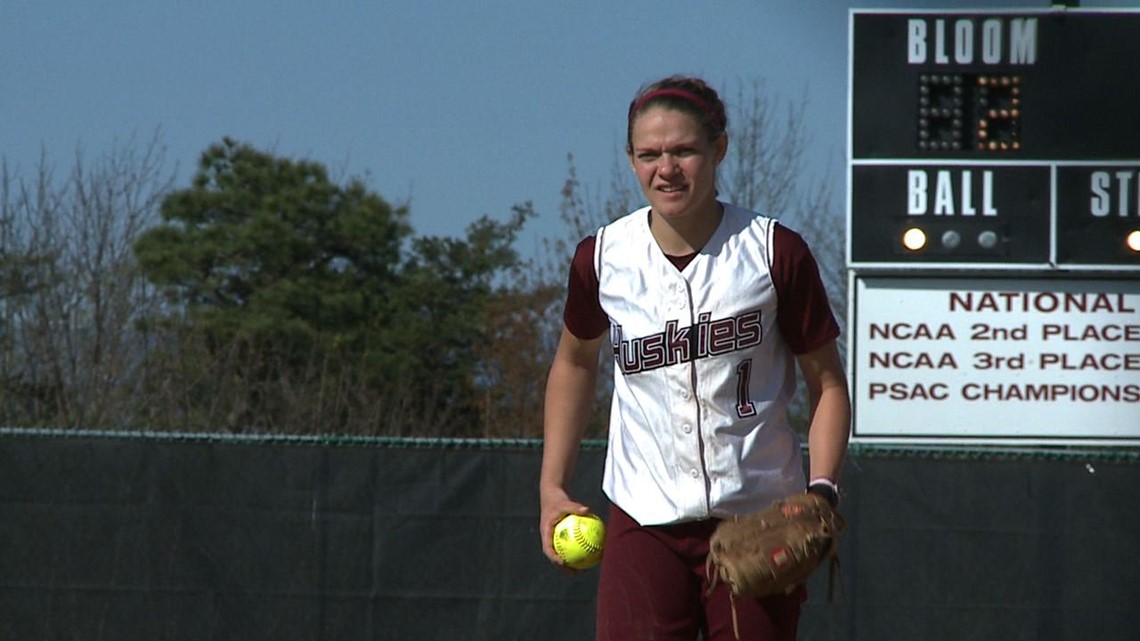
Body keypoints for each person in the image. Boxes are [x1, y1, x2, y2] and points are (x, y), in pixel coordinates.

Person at [538, 74, 851, 641]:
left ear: (719, 149)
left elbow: (828, 384)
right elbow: (575, 362)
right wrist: (552, 487)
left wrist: (822, 489)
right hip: (644, 515)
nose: (667, 168)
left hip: (759, 515)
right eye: (649, 154)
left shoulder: (773, 251)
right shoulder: (602, 258)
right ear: (630, 160)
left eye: (684, 150)